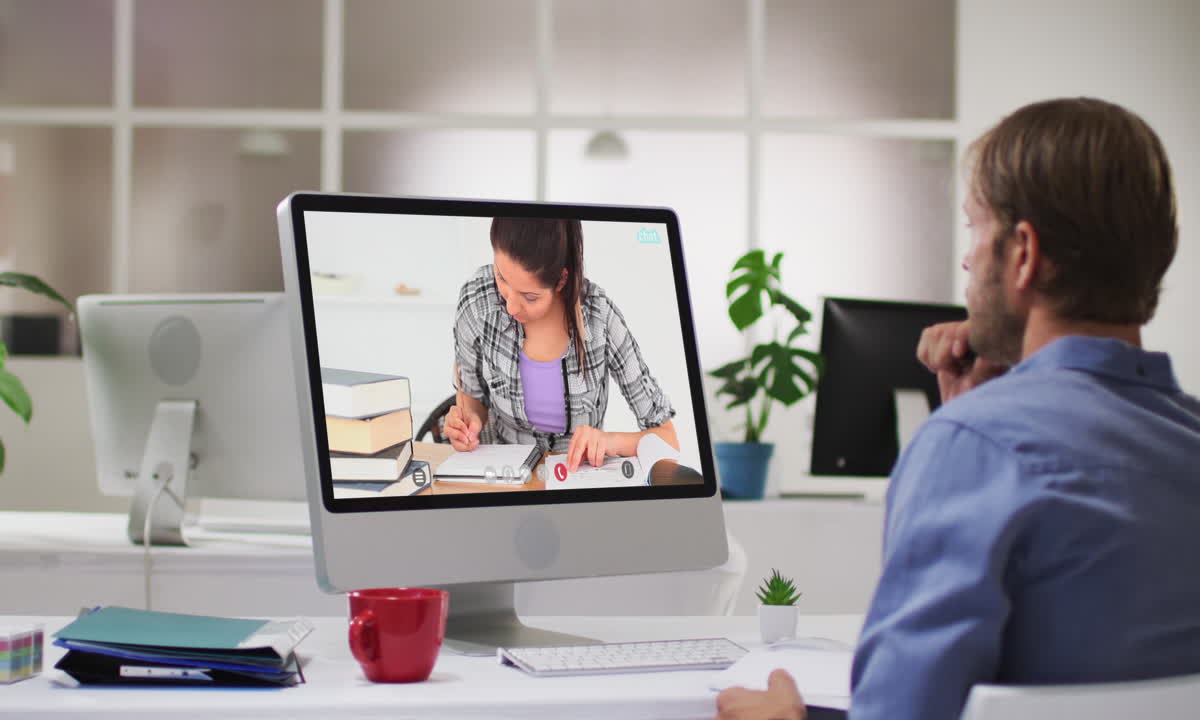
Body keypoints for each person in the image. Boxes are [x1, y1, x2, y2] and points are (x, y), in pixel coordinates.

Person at [716, 96, 1200, 720]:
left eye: (976, 229)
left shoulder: (974, 446)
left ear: (1023, 253)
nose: (968, 259)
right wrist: (972, 419)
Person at [443, 217, 679, 471]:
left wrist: (610, 441)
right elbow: (472, 397)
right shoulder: (477, 301)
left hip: (577, 483)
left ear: (561, 280)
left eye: (530, 297)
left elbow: (668, 440)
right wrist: (469, 421)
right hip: (501, 482)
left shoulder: (600, 319)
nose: (510, 306)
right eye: (501, 278)